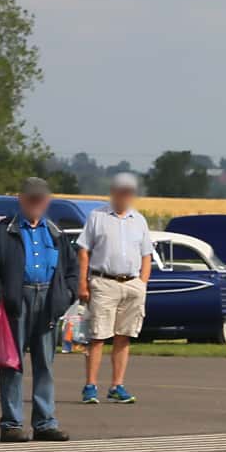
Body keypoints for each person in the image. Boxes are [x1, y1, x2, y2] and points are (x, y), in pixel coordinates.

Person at [0, 178, 77, 441]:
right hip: (16, 301)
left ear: (47, 201)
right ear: (20, 199)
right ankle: (11, 424)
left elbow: (72, 272)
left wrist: (65, 296)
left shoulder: (55, 232)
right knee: (12, 363)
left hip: (48, 301)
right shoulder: (3, 230)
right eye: (31, 198)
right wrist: (3, 294)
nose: (36, 203)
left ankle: (45, 423)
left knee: (45, 364)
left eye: (40, 198)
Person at [76, 172, 152, 404]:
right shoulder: (97, 216)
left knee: (124, 335)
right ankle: (90, 385)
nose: (125, 197)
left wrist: (142, 282)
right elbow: (83, 250)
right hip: (104, 281)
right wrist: (83, 282)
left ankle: (117, 385)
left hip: (131, 284)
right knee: (98, 335)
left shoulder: (138, 220)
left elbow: (146, 253)